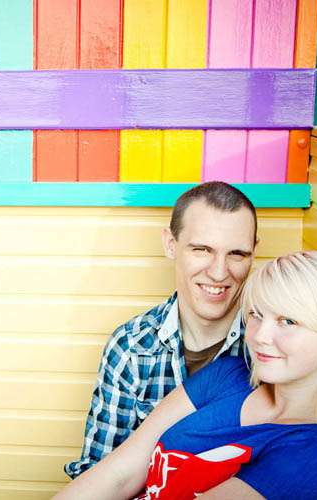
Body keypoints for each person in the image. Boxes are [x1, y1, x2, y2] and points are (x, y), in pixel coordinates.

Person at [54, 250, 317, 499]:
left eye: (288, 321)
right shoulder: (228, 375)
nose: (259, 336)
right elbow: (120, 473)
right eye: (256, 315)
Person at [66, 182, 258, 478]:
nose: (219, 272)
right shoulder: (131, 348)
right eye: (202, 250)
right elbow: (97, 472)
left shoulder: (268, 347)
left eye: (237, 254)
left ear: (254, 253)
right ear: (170, 244)